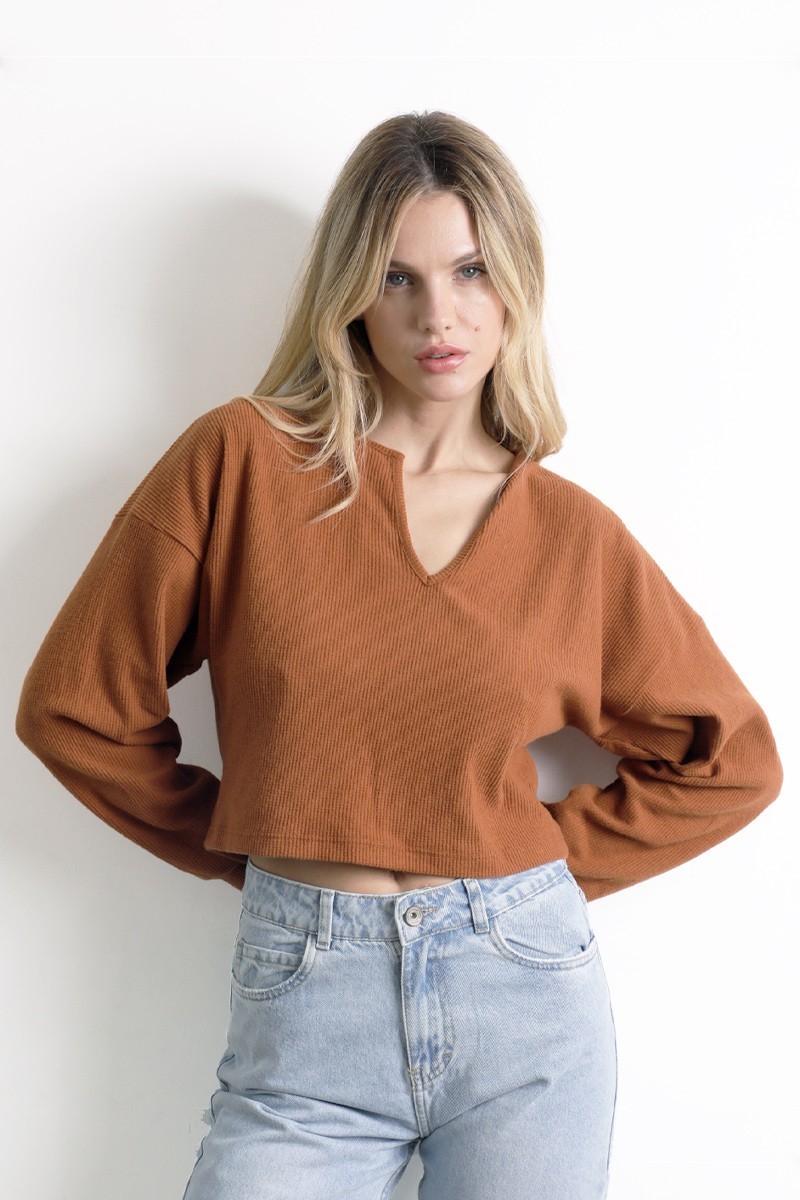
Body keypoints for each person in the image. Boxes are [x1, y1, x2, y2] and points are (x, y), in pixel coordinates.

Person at [16, 111, 782, 1200]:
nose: (438, 316)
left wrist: (525, 874)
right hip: (305, 1004)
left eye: (470, 271)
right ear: (349, 295)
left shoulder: (573, 536)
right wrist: (248, 847)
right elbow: (74, 707)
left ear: (514, 285)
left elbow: (731, 762)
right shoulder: (240, 464)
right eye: (396, 278)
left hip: (525, 1002)